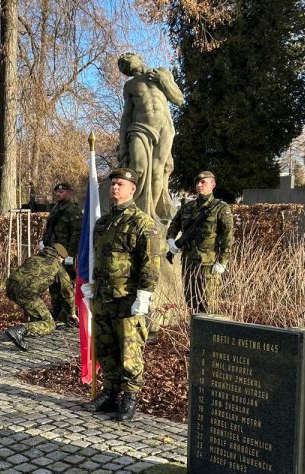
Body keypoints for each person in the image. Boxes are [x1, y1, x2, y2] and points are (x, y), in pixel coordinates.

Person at [82, 168, 161, 422]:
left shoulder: (142, 223)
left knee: (129, 350)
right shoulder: (103, 222)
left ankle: (130, 396)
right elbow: (95, 257)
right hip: (103, 296)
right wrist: (88, 283)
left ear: (132, 189)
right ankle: (110, 391)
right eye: (113, 184)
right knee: (105, 347)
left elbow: (150, 262)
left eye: (120, 184)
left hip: (127, 298)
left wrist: (145, 294)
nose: (115, 188)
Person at [117, 52, 183, 222]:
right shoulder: (130, 85)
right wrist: (123, 146)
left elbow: (178, 99)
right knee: (137, 168)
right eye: (122, 65)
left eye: (127, 58)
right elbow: (126, 116)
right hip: (139, 128)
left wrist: (164, 80)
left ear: (138, 57)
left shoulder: (161, 72)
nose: (125, 64)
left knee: (156, 172)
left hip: (164, 128)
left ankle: (149, 217)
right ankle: (134, 212)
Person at [166, 171, 234, 313]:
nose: (199, 185)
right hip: (189, 262)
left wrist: (222, 261)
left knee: (208, 304)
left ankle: (209, 334)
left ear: (213, 185)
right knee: (191, 302)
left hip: (208, 264)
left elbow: (227, 237)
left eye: (203, 182)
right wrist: (171, 240)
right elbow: (174, 225)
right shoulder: (187, 207)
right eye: (197, 182)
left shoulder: (220, 208)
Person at [4, 243, 70, 351]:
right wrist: (72, 313)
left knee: (37, 312)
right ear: (59, 257)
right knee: (50, 324)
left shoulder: (35, 257)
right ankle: (19, 330)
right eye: (62, 259)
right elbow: (67, 291)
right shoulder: (57, 265)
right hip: (27, 293)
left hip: (10, 287)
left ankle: (32, 325)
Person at [38, 181, 81, 327]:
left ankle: (68, 316)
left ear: (69, 192)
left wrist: (71, 254)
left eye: (61, 192)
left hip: (65, 255)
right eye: (56, 192)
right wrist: (44, 242)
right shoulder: (56, 207)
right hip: (52, 253)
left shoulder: (73, 210)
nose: (58, 194)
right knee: (53, 284)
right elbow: (49, 228)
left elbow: (76, 233)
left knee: (66, 285)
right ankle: (56, 313)